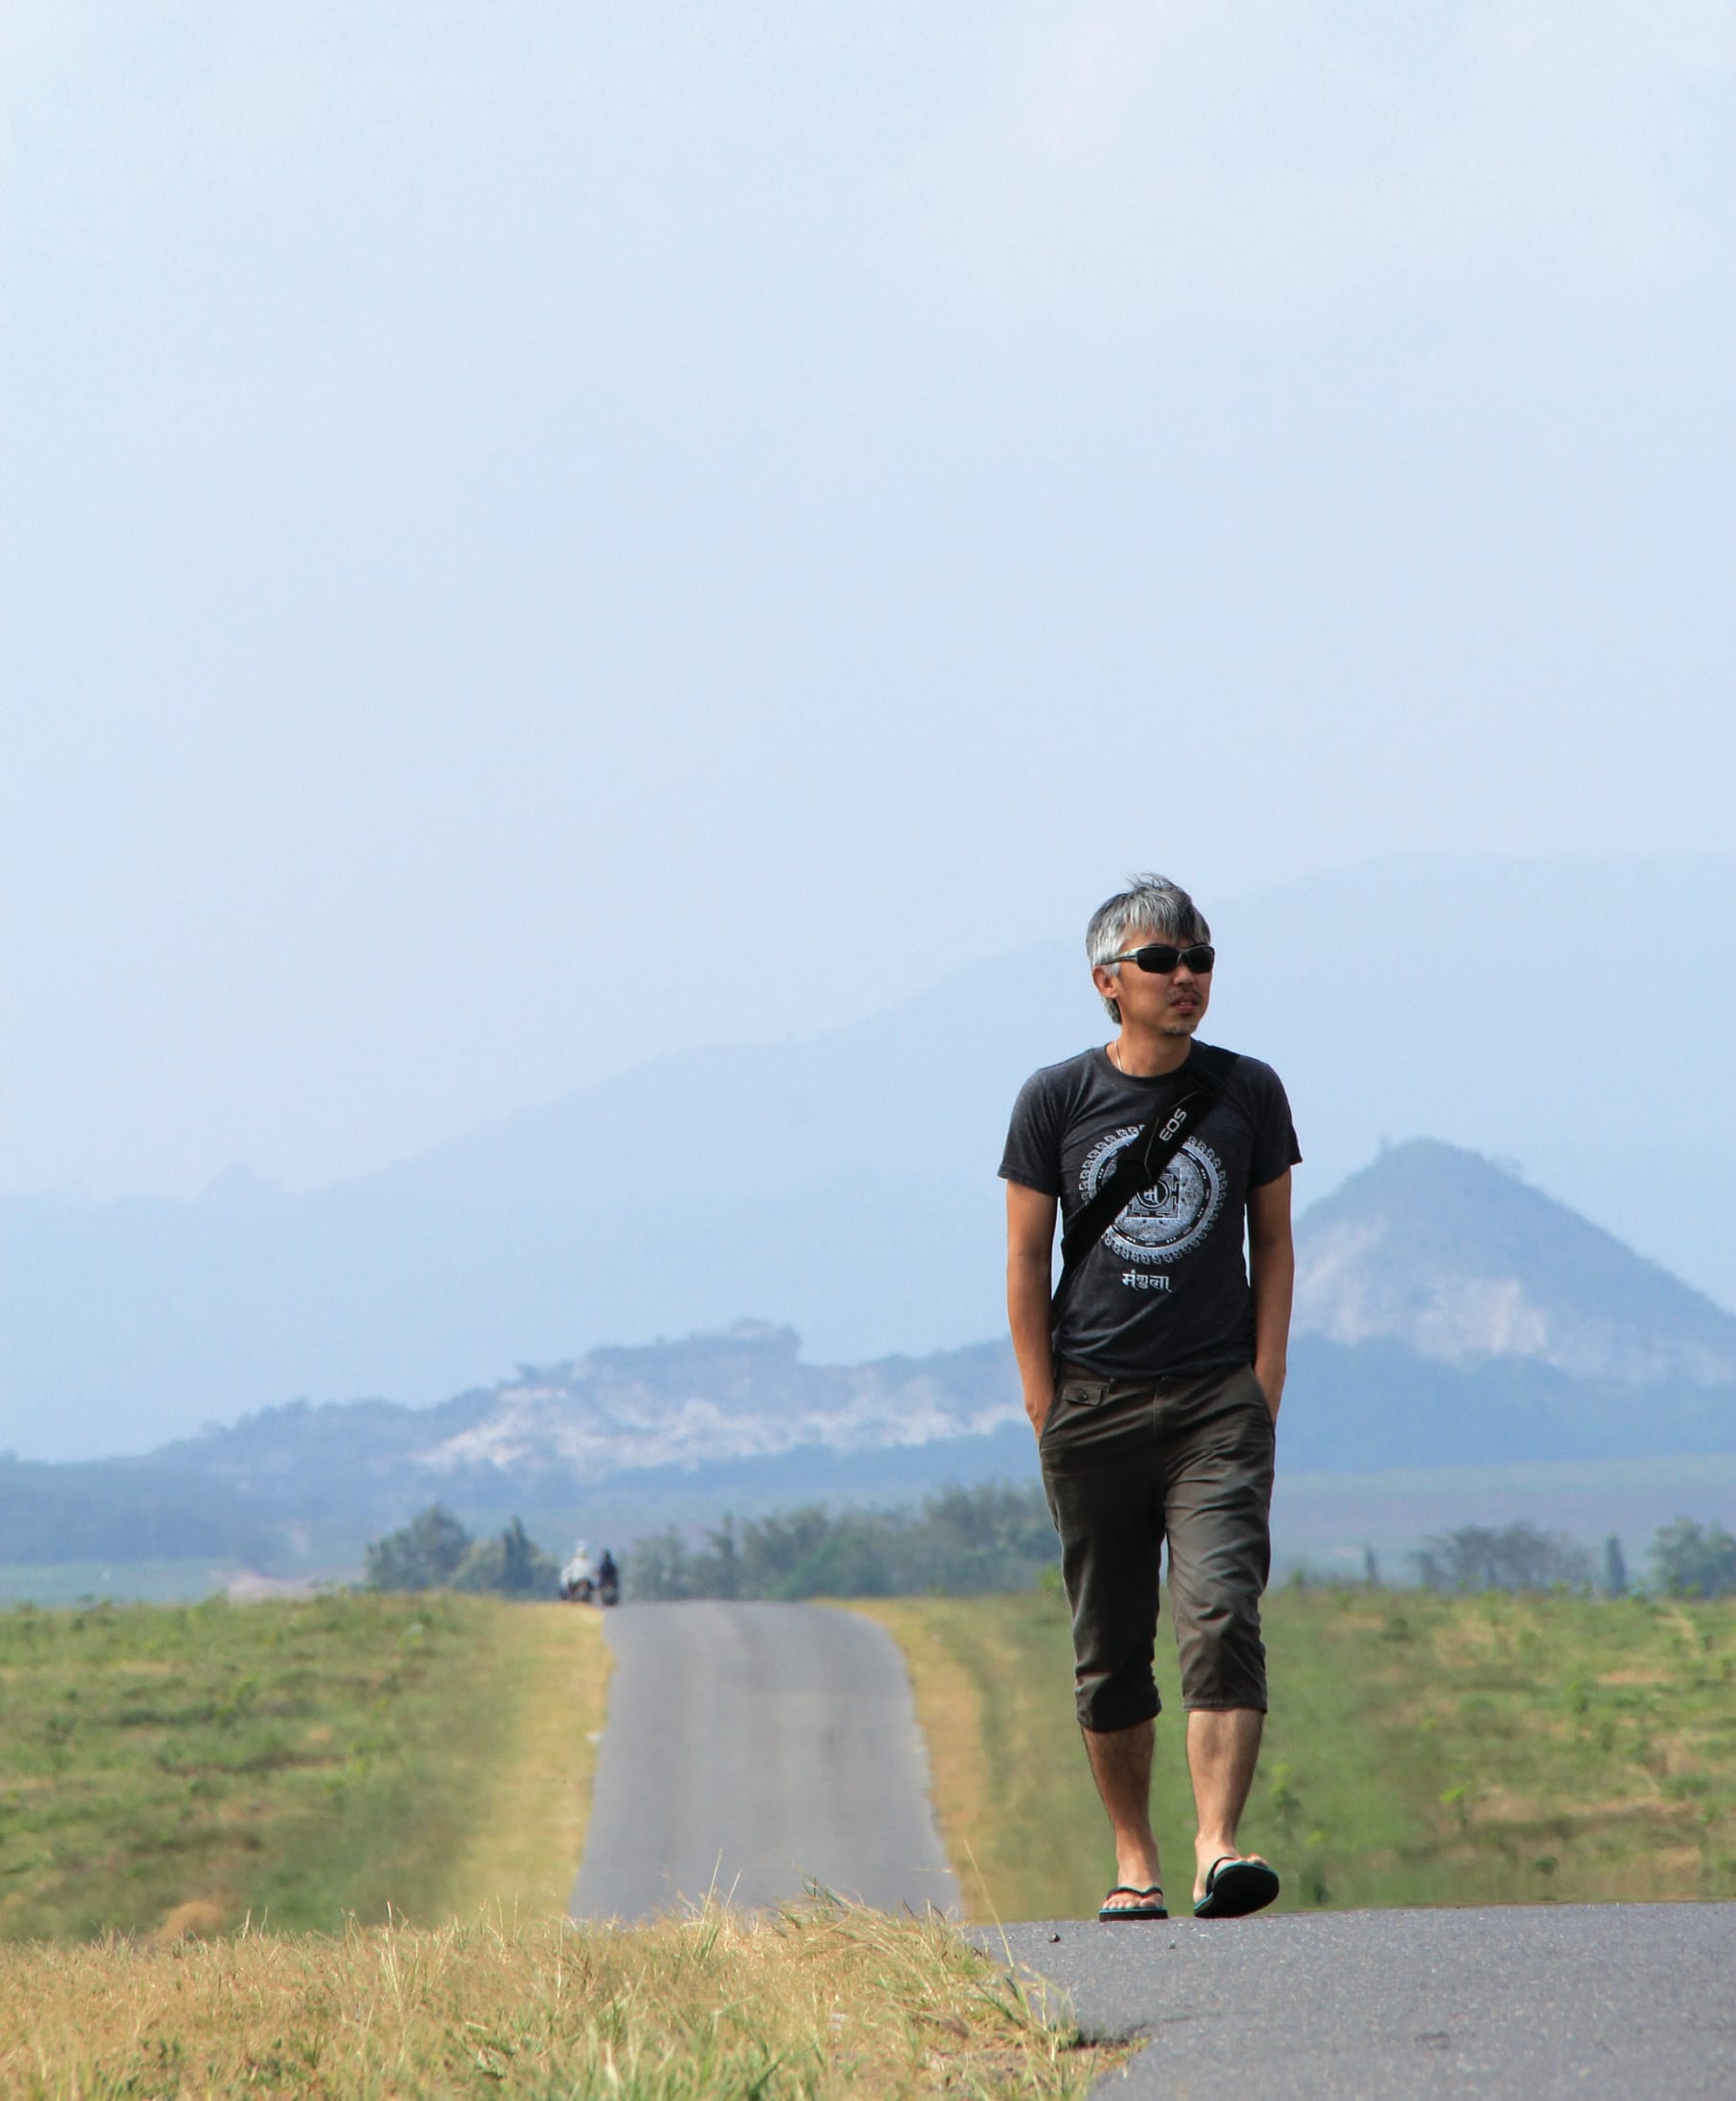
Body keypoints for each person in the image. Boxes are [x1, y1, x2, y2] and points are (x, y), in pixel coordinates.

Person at [1000, 874, 1299, 1922]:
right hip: (1092, 1407)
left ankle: (1218, 1846)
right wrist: (1043, 1403)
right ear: (1106, 982)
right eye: (1161, 961)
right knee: (1111, 1645)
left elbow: (1275, 1244)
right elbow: (1025, 1258)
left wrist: (1263, 1384)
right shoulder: (1054, 1099)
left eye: (1199, 959)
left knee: (1221, 1612)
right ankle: (1137, 1859)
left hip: (1216, 1403)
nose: (1186, 978)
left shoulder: (1248, 1090)